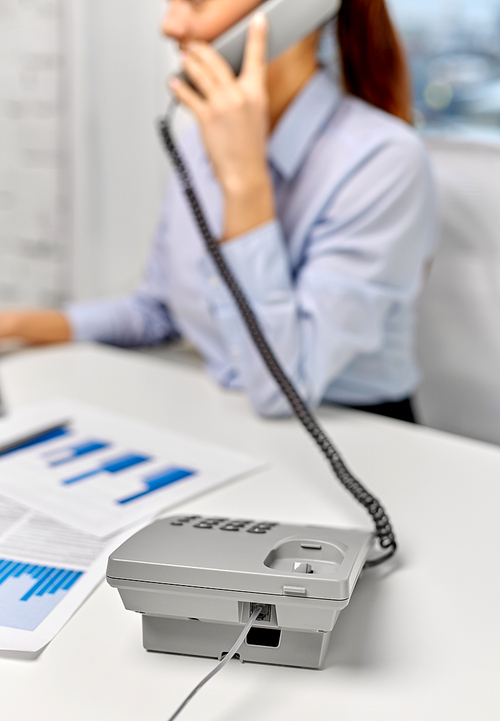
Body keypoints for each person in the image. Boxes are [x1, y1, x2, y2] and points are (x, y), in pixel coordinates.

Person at [0, 0, 437, 421]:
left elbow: (283, 387)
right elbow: (157, 312)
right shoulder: (198, 142)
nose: (169, 25)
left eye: (196, 0)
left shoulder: (383, 159)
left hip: (360, 441)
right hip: (230, 425)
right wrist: (17, 323)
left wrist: (244, 181)